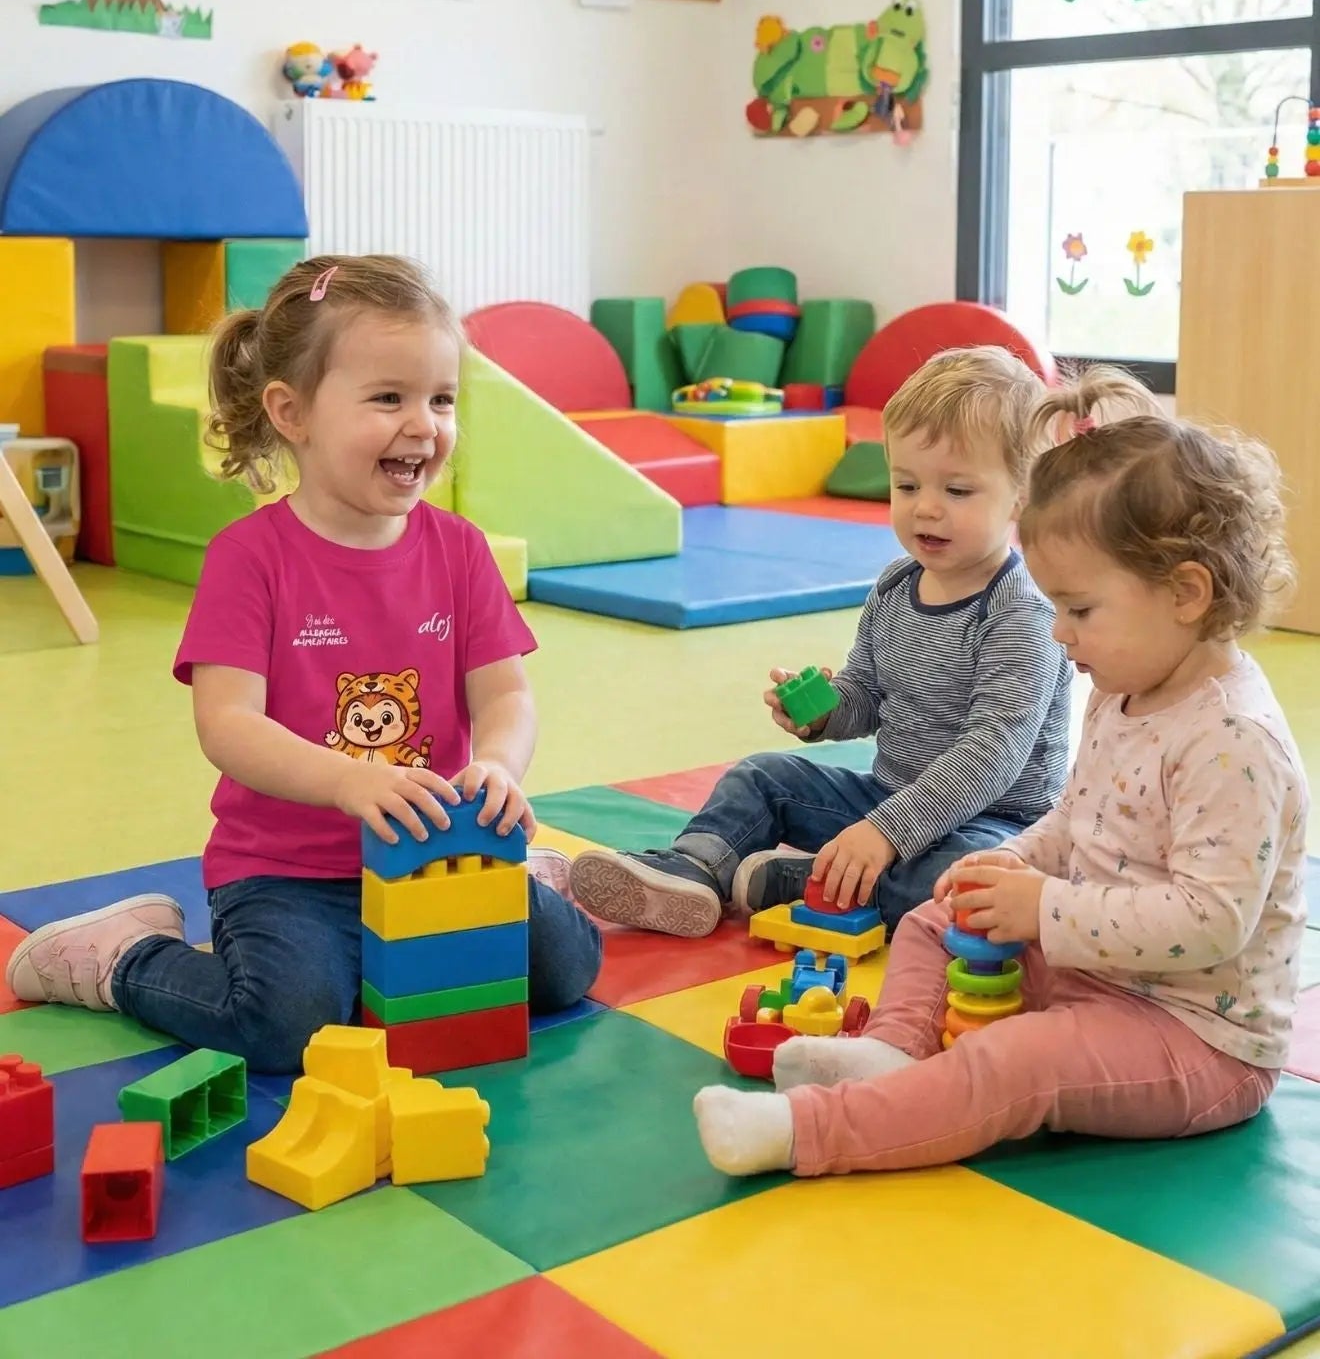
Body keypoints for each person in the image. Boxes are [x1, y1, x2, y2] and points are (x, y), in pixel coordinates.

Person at [692, 369, 1307, 1178]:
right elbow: (1075, 819)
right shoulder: (1127, 692)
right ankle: (892, 1057)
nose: (1059, 635)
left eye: (1078, 610)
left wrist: (1044, 906)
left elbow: (1210, 921)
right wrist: (1018, 862)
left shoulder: (1233, 742)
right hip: (1105, 974)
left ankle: (811, 1133)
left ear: (1187, 593)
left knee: (1019, 1061)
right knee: (933, 918)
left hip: (1194, 1035)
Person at [6, 255, 602, 1072]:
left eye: (441, 398)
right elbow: (227, 724)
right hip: (289, 871)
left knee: (569, 971)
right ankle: (123, 958)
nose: (424, 424)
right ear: (292, 413)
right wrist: (348, 780)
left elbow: (506, 692)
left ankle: (528, 875)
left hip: (436, 851)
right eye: (388, 398)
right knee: (291, 1026)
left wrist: (498, 766)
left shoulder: (459, 550)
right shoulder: (249, 557)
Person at [570, 346, 1071, 940]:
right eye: (906, 485)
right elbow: (867, 695)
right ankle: (696, 867)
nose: (926, 508)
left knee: (967, 883)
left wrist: (888, 832)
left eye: (958, 491)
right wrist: (826, 712)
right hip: (891, 797)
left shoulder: (1021, 611)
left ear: (1020, 497)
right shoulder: (895, 584)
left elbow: (991, 758)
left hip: (996, 823)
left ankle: (813, 880)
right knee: (761, 775)